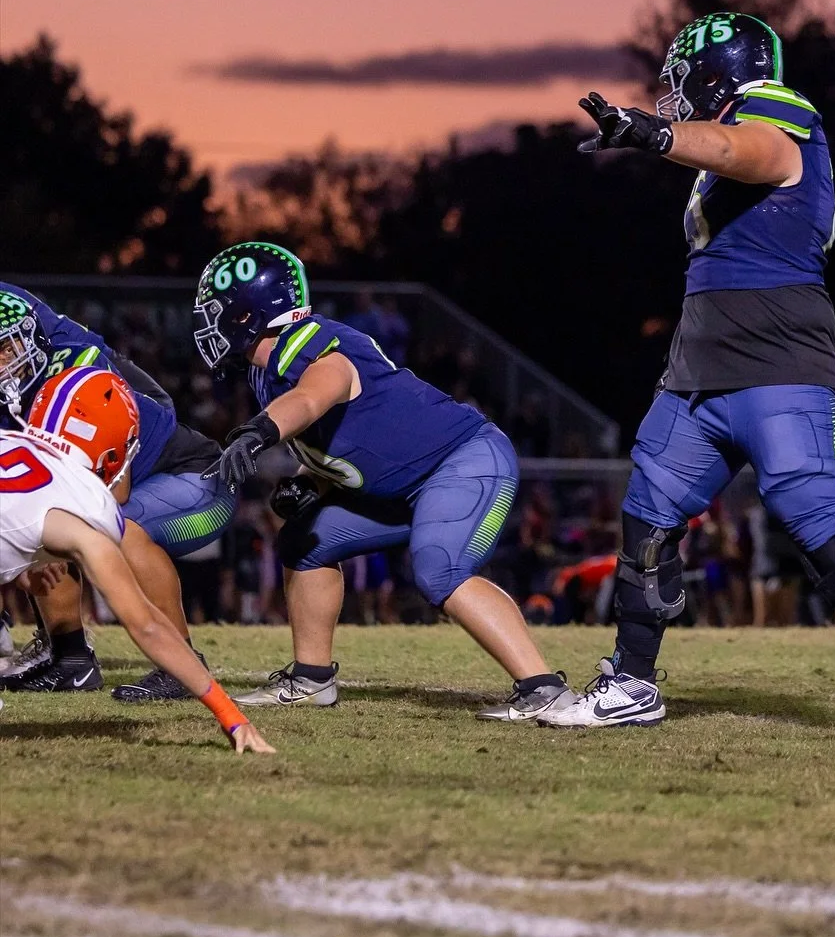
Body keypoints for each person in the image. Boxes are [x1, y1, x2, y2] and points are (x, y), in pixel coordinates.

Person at [543, 12, 835, 740]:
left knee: (819, 523)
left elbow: (750, 151)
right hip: (700, 363)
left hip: (778, 359)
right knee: (647, 520)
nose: (674, 93)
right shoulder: (706, 156)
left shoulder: (773, 107)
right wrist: (660, 141)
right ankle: (633, 680)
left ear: (719, 68)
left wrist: (653, 134)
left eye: (682, 75)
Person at [190, 242, 576, 720]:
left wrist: (259, 432)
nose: (207, 324)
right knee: (304, 541)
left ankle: (543, 689)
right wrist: (308, 480)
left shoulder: (311, 341)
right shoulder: (265, 373)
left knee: (439, 570)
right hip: (404, 487)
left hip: (462, 461)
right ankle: (311, 680)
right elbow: (359, 435)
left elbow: (316, 395)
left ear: (248, 313)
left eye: (216, 311)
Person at [0, 367, 271, 753]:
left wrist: (26, 571)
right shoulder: (87, 505)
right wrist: (230, 715)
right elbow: (147, 627)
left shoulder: (8, 439)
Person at [0, 284, 233, 698]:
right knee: (46, 520)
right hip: (114, 485)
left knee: (111, 528)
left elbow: (113, 490)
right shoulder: (20, 384)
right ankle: (69, 659)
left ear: (29, 341)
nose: (2, 359)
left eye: (5, 347)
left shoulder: (77, 378)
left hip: (192, 479)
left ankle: (180, 666)